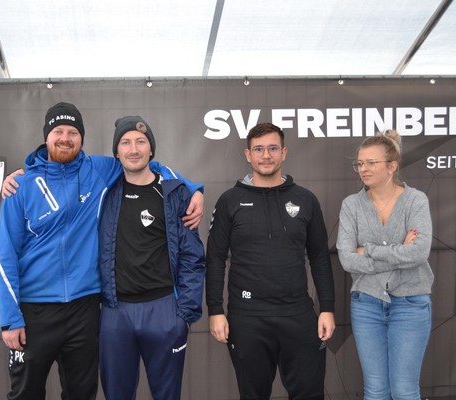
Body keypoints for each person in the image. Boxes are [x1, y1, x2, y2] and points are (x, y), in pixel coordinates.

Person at [0, 102, 203, 400]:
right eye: (58, 131)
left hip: (85, 307)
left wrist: (192, 188)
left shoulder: (98, 170)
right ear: (46, 136)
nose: (65, 138)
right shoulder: (20, 186)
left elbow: (144, 165)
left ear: (81, 137)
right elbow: (5, 257)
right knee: (26, 393)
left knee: (82, 393)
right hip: (35, 310)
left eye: (72, 132)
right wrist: (10, 318)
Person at [206, 122, 335, 400]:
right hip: (247, 318)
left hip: (298, 314)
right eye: (259, 149)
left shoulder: (305, 199)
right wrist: (215, 310)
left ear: (284, 153)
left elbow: (320, 257)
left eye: (273, 148)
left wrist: (327, 307)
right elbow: (215, 257)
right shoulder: (230, 201)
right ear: (248, 155)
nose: (266, 155)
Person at [97, 115, 205, 399]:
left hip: (164, 310)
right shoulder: (103, 193)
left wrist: (185, 314)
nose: (133, 149)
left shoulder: (175, 193)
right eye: (126, 142)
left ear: (151, 149)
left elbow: (192, 257)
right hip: (115, 311)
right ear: (116, 151)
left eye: (141, 142)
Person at [336, 129, 433, 400]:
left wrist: (368, 250)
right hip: (366, 304)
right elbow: (347, 259)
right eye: (359, 163)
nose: (363, 169)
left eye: (371, 162)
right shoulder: (351, 205)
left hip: (411, 304)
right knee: (376, 390)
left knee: (404, 391)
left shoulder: (415, 200)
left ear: (392, 166)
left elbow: (419, 253)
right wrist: (399, 250)